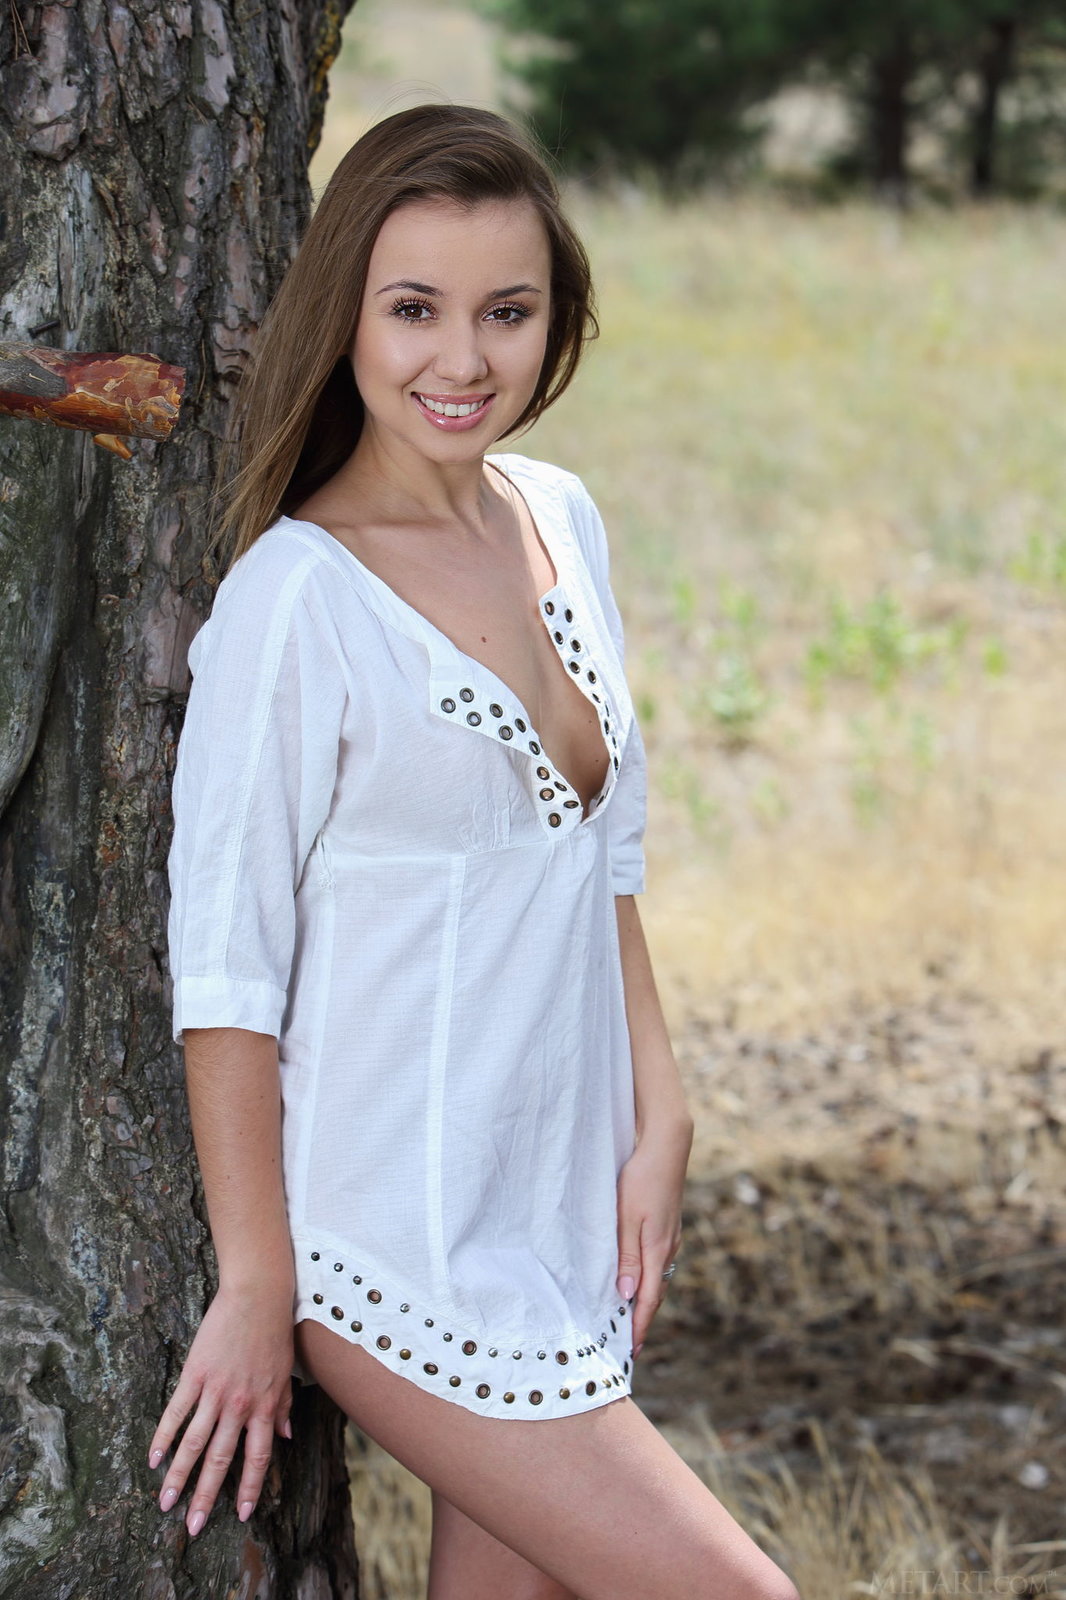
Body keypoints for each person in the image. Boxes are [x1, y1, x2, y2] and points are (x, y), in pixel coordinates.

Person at [151, 104, 800, 1600]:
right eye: (414, 310)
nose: (463, 358)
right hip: (399, 1241)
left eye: (507, 311)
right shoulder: (296, 600)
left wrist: (661, 1108)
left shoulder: (560, 519)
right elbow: (228, 973)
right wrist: (257, 1285)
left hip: (558, 1203)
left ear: (556, 317)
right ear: (346, 317)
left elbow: (599, 861)